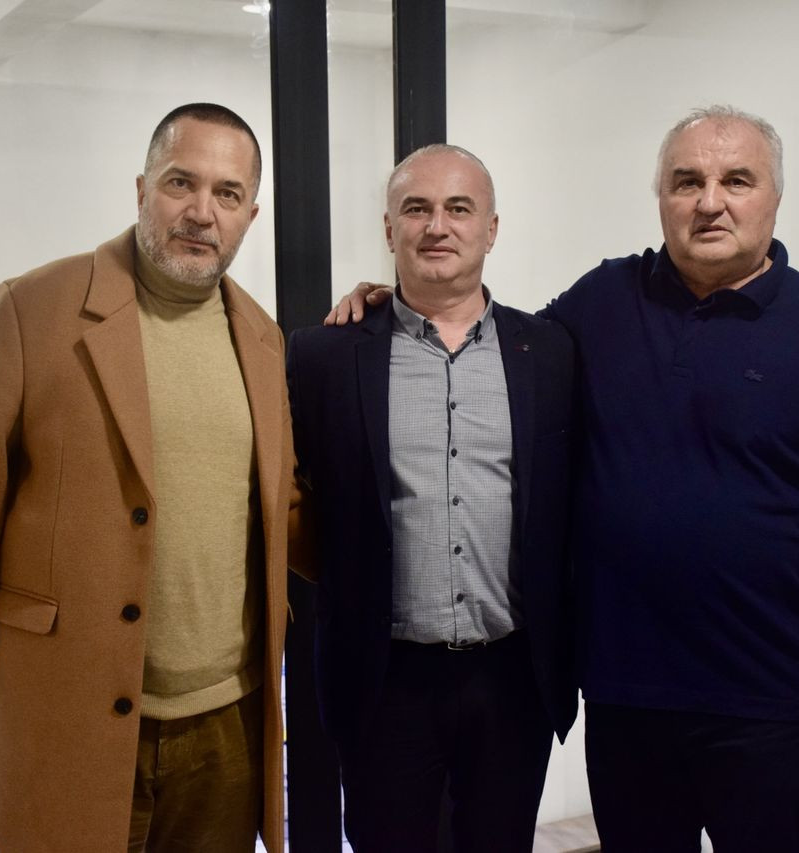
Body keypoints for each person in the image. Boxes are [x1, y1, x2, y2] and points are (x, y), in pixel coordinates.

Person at [329, 106, 799, 852]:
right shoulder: (603, 302)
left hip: (769, 694)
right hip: (624, 694)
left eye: (736, 181)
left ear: (774, 196)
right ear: (661, 196)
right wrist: (394, 306)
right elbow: (493, 346)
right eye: (687, 181)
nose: (709, 202)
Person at [0, 103, 309, 853]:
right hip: (68, 706)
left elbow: (281, 503)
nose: (201, 212)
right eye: (180, 183)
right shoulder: (34, 309)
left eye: (226, 194)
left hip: (228, 726)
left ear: (250, 215)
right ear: (142, 188)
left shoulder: (262, 336)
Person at [288, 144, 576, 852]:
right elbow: (286, 496)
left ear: (491, 228)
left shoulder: (552, 352)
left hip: (512, 676)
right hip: (384, 678)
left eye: (458, 209)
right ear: (390, 229)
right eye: (416, 209)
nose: (437, 226)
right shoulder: (322, 356)